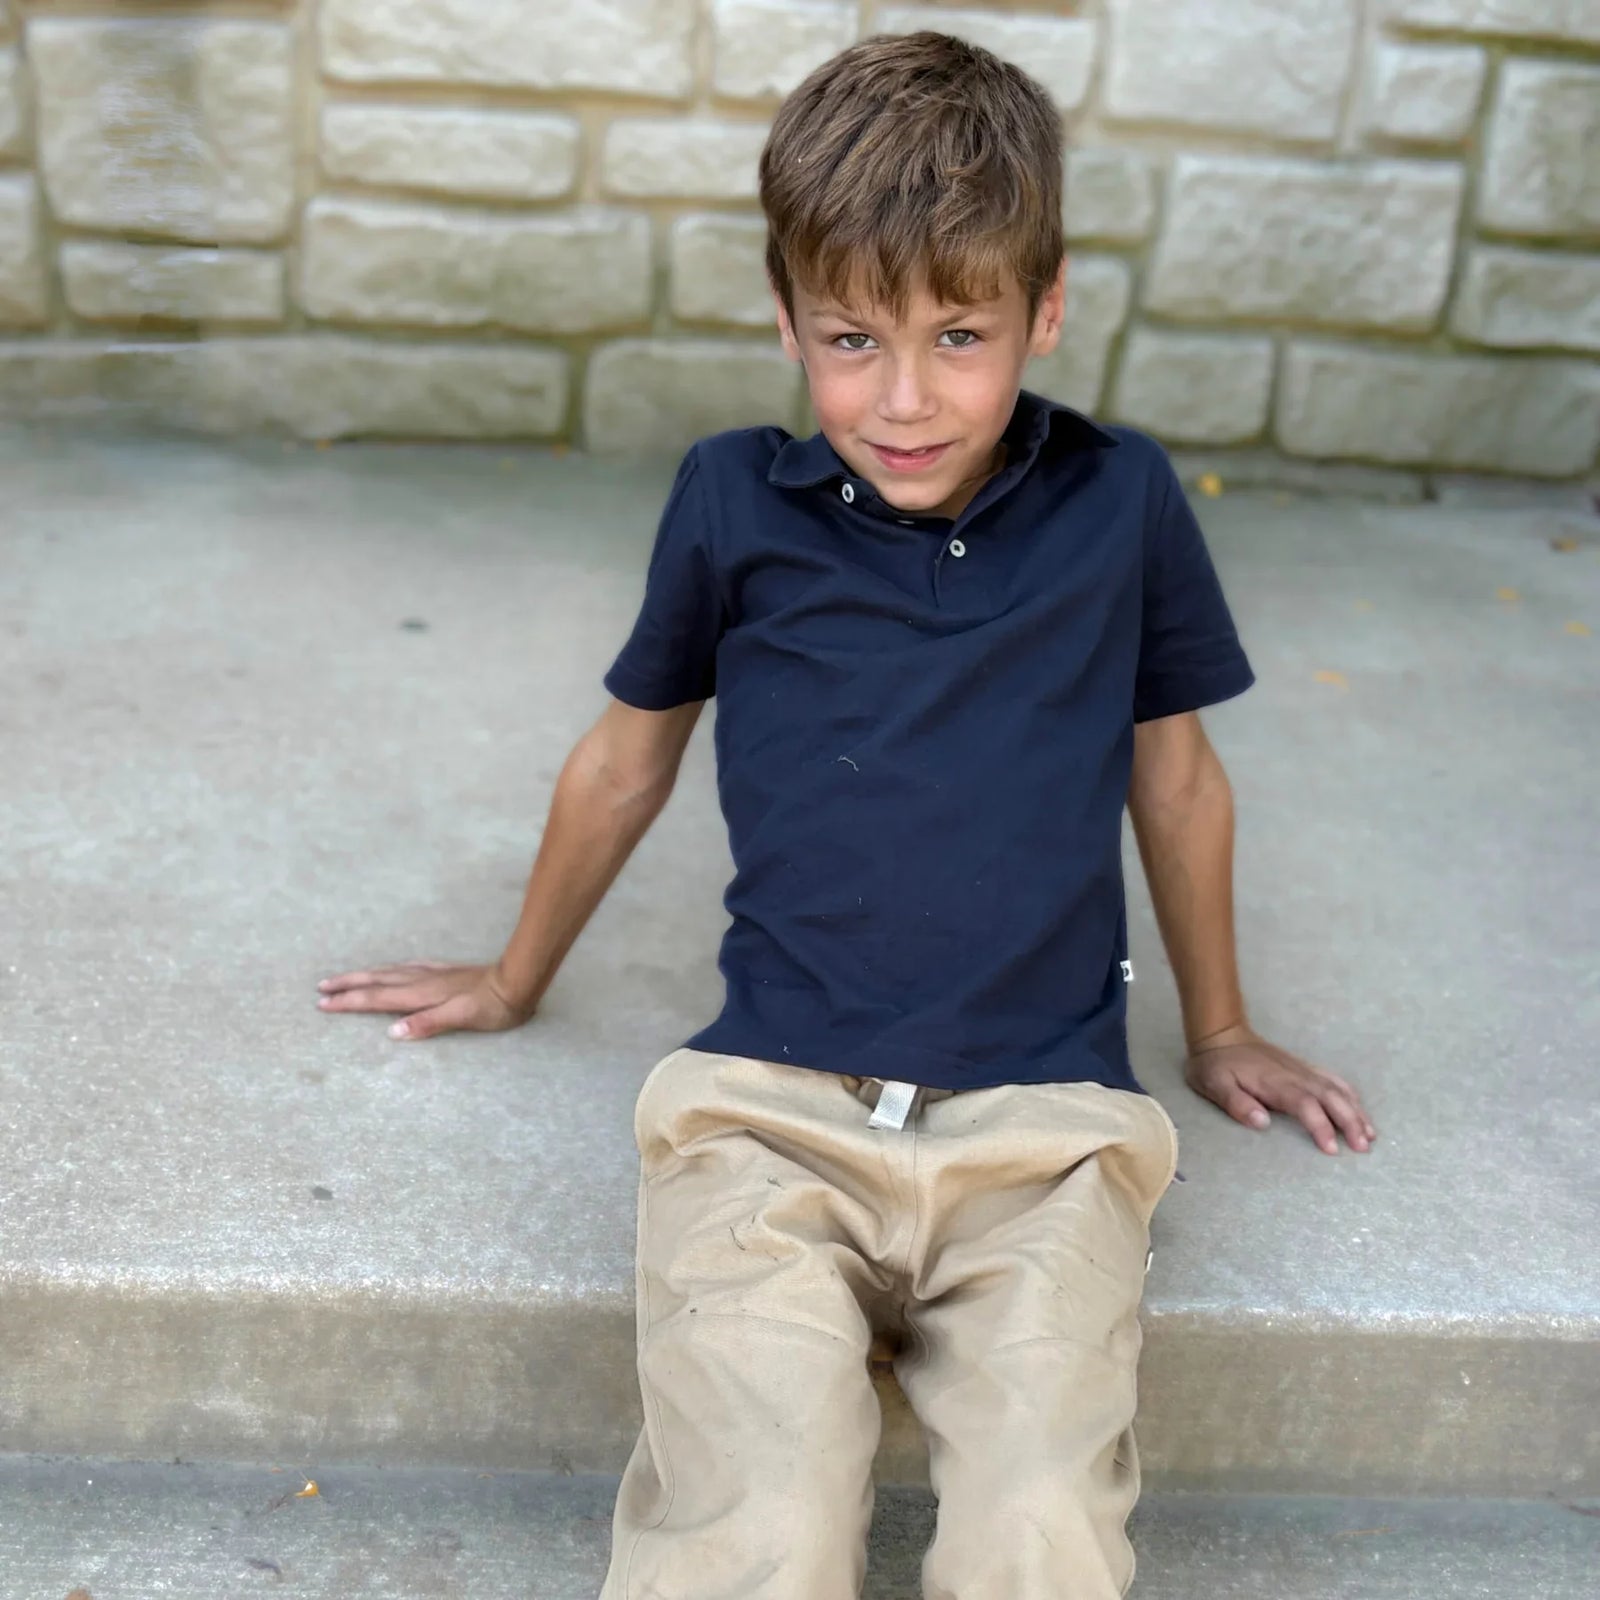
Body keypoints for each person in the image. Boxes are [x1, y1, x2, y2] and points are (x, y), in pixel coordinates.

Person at [318, 30, 1377, 1599]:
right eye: (849, 341)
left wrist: (1218, 1029)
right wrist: (512, 974)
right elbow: (628, 757)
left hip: (1049, 1140)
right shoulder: (733, 502)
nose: (901, 399)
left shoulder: (1123, 503)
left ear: (1048, 306)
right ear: (785, 319)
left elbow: (1178, 777)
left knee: (1039, 1527)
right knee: (759, 1522)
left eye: (960, 335)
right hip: (765, 1124)